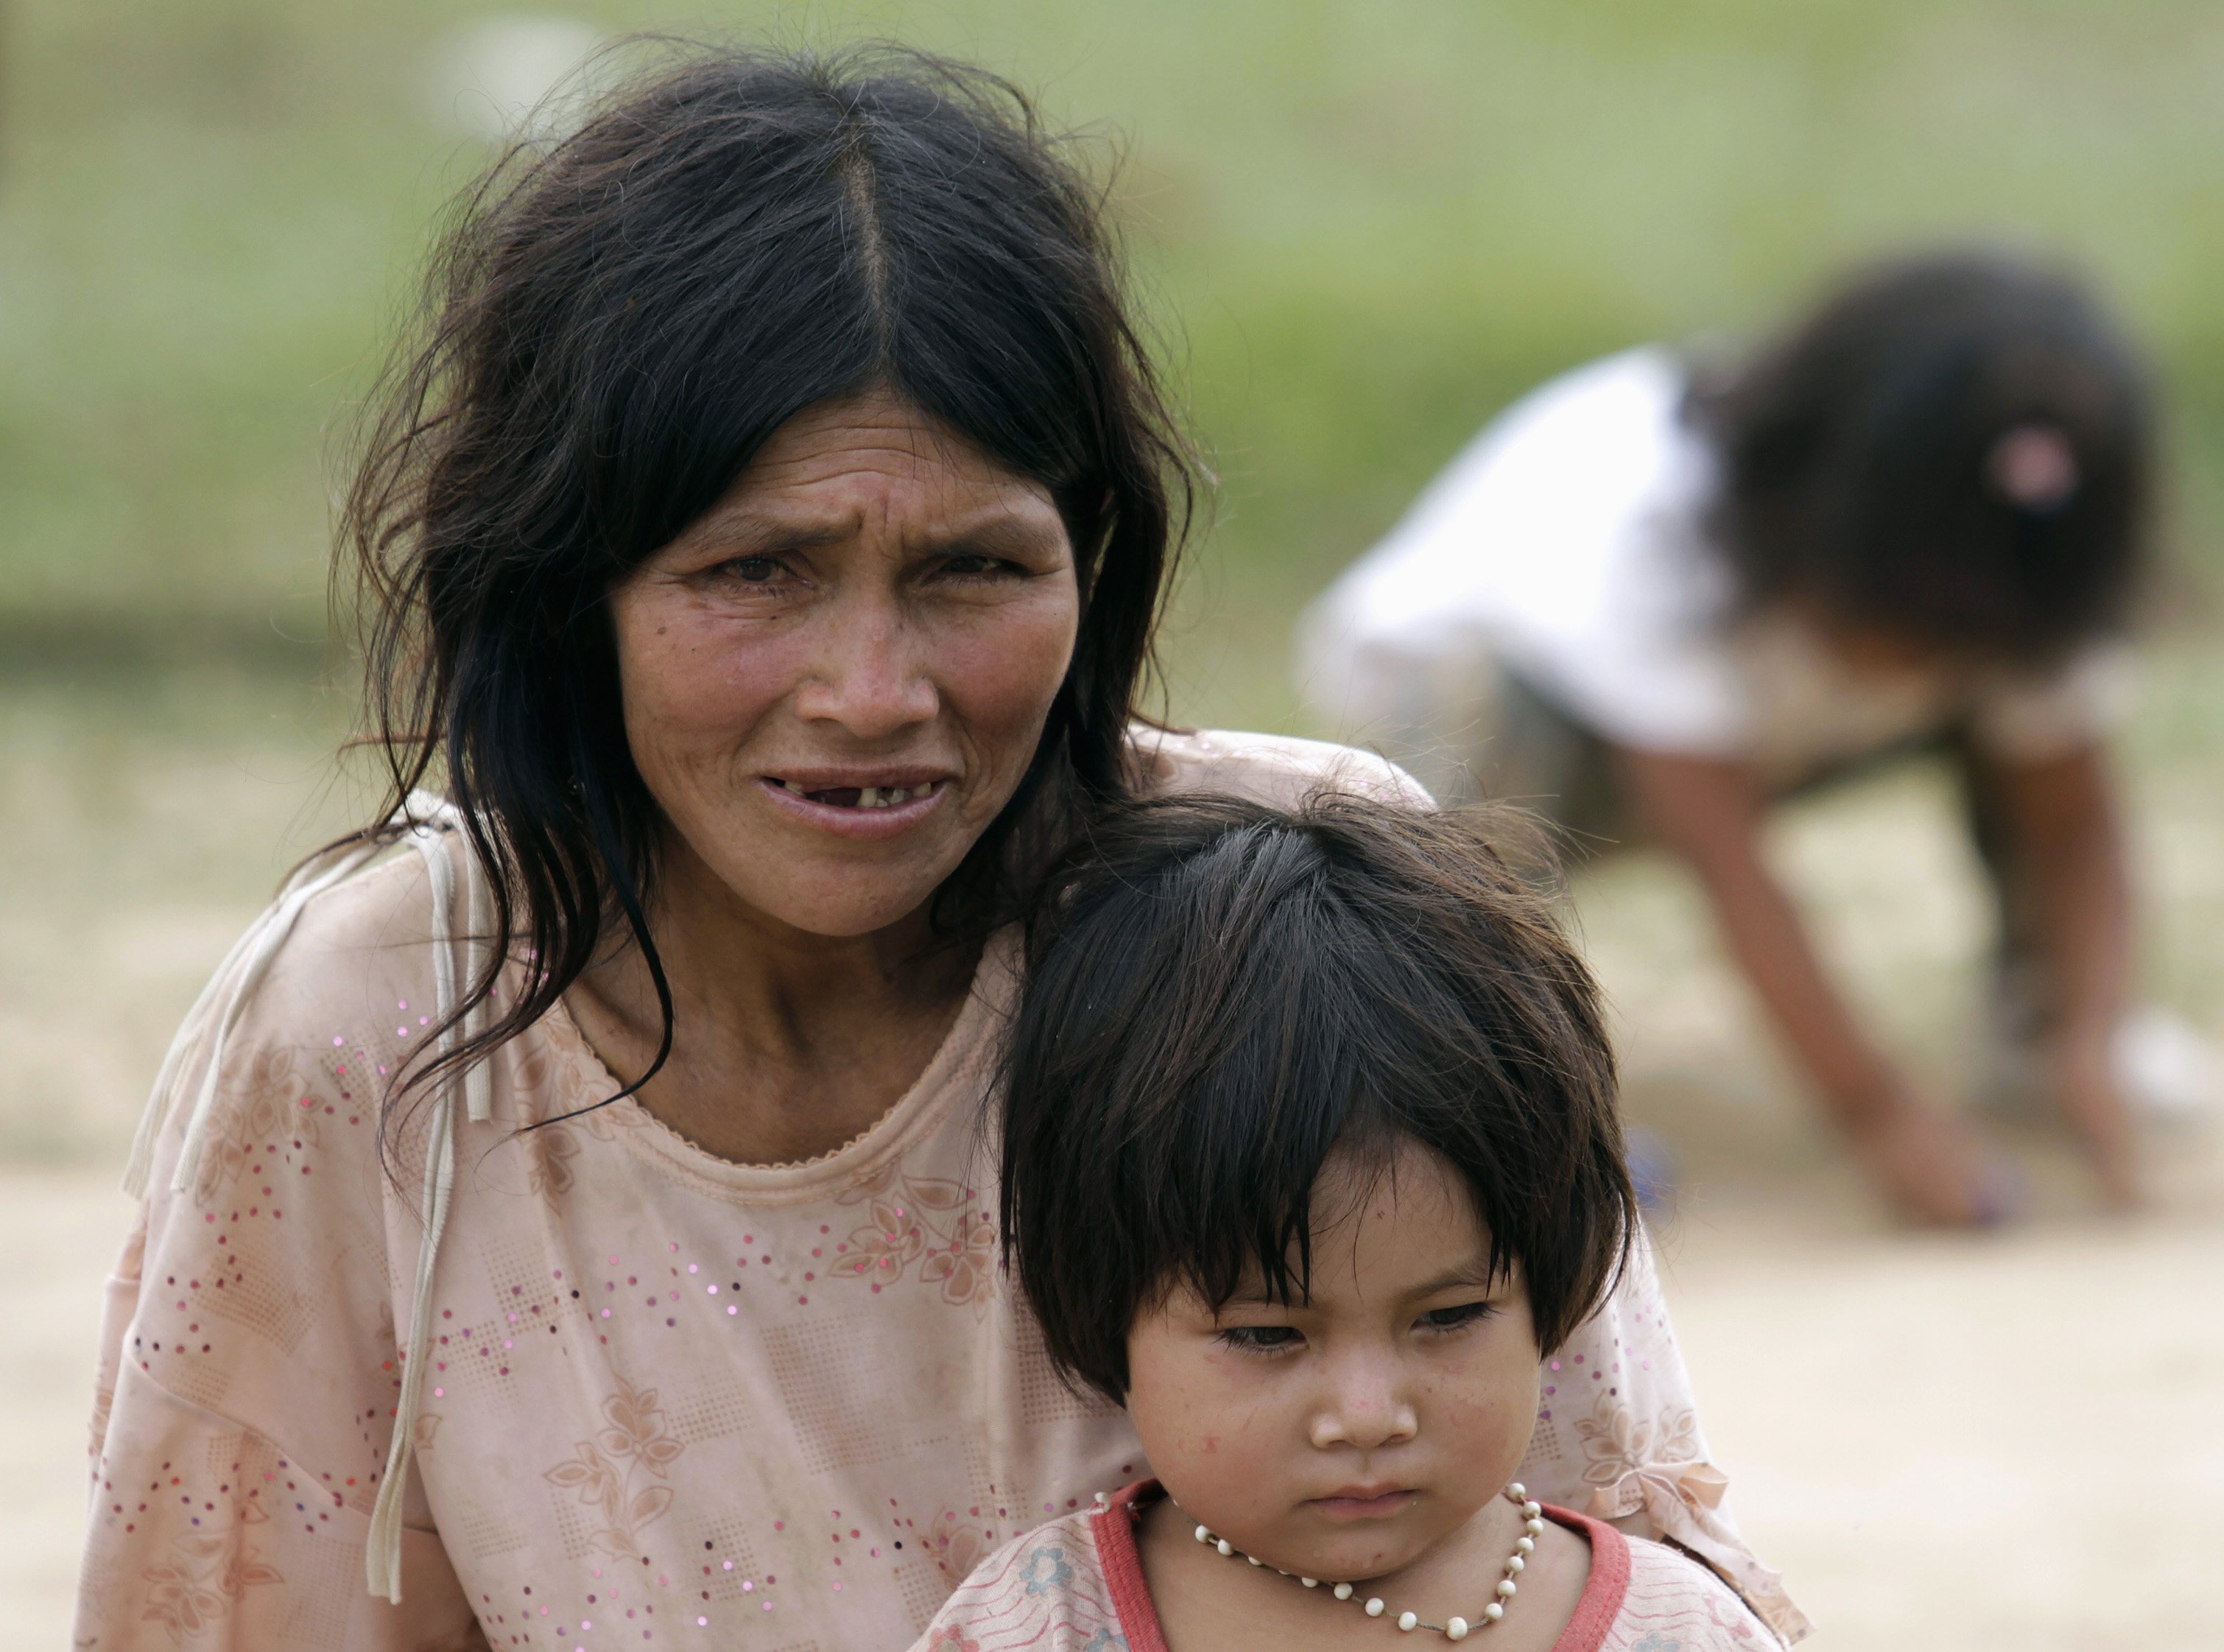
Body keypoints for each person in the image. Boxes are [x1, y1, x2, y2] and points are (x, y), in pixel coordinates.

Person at [72, 44, 1801, 1652]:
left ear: (1088, 561)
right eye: (755, 571)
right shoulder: (379, 1030)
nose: (873, 693)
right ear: (566, 586)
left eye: (973, 568)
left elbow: (1607, 1564)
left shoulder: (1306, 904)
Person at [1298, 253, 2171, 1225]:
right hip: (1504, 716)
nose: (1922, 658)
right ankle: (1488, 1103)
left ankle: (2038, 1049)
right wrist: (1878, 1112)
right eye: (1911, 624)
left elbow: (2070, 812)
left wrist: (2094, 1031)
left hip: (1773, 733)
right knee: (1464, 811)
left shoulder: (2026, 567)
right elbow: (1729, 863)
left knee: (2018, 721)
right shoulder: (1653, 522)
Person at [913, 792, 1775, 1651]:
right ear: (1101, 1312)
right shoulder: (1033, 1625)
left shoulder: (1678, 1627)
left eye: (1448, 1315)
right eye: (1264, 1333)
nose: (1367, 1416)